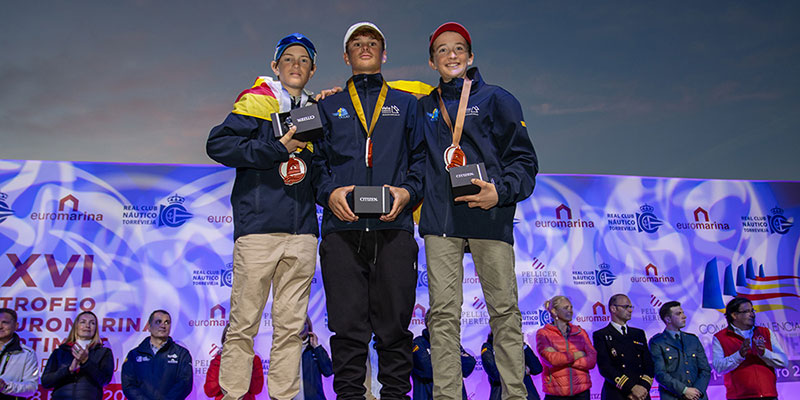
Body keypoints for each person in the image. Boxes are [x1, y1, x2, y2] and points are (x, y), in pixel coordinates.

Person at [416, 21, 538, 400]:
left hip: (489, 218)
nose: (450, 56)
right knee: (443, 317)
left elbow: (524, 162)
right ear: (432, 61)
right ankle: (448, 396)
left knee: (503, 311)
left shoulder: (499, 99)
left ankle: (514, 394)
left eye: (457, 49)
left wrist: (499, 193)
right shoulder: (423, 108)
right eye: (442, 50)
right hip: (441, 223)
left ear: (470, 56)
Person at [206, 32, 324, 400]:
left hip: (303, 231)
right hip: (258, 230)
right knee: (243, 324)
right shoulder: (255, 103)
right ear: (275, 66)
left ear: (312, 70)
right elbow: (219, 145)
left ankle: (284, 396)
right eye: (288, 59)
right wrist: (277, 147)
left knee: (291, 327)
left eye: (303, 60)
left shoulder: (315, 114)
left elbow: (319, 169)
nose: (295, 65)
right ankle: (234, 393)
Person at [313, 21, 424, 399]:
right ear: (346, 57)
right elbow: (316, 163)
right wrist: (328, 194)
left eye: (372, 43)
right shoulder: (327, 105)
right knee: (347, 330)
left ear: (384, 54)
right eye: (357, 44)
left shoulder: (407, 104)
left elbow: (422, 160)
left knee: (395, 328)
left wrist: (408, 193)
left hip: (394, 229)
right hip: (341, 230)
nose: (365, 48)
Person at [712, 297, 787, 400]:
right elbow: (719, 368)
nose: (752, 314)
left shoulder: (765, 332)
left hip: (769, 396)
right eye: (747, 311)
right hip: (739, 397)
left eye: (752, 310)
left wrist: (764, 353)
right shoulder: (720, 337)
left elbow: (783, 362)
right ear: (734, 315)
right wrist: (739, 355)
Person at [593, 294, 654, 400]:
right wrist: (632, 388)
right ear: (613, 309)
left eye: (631, 307)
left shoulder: (638, 333)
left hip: (641, 394)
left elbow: (648, 364)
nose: (630, 310)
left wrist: (643, 388)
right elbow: (605, 367)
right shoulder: (602, 335)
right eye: (626, 307)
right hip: (617, 393)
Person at [41, 311, 114, 399]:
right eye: (83, 322)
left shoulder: (103, 352)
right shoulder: (60, 352)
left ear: (96, 329)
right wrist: (69, 370)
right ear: (76, 326)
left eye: (92, 323)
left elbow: (105, 380)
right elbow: (46, 382)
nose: (87, 326)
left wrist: (86, 362)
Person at [121, 310, 192, 400]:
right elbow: (128, 385)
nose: (163, 325)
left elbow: (185, 383)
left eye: (167, 322)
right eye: (158, 322)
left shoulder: (182, 354)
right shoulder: (134, 355)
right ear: (149, 327)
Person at [535, 296, 596, 400]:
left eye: (571, 307)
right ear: (554, 311)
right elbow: (552, 360)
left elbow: (592, 360)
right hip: (556, 395)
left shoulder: (580, 332)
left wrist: (563, 358)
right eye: (566, 308)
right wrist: (579, 354)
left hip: (582, 394)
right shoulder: (544, 334)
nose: (570, 311)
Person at [648, 301, 710, 400]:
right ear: (668, 319)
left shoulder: (692, 339)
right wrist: (684, 390)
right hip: (672, 396)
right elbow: (660, 373)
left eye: (683, 313)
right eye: (678, 314)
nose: (684, 316)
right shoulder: (657, 342)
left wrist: (696, 392)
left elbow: (705, 369)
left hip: (698, 396)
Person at [411, 313, 476, 400]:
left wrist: (439, 361)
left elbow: (469, 365)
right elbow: (427, 369)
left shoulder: (453, 342)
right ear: (428, 323)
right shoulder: (418, 343)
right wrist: (454, 361)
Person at [204, 325, 263, 400]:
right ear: (225, 341)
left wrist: (244, 367)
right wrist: (227, 371)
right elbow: (209, 391)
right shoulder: (218, 360)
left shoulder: (254, 360)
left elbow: (257, 389)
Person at [482, 332, 543, 400]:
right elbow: (496, 374)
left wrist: (523, 345)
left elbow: (537, 369)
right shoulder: (489, 347)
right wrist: (524, 372)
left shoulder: (519, 345)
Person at [0, 308, 38, 399]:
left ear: (16, 326)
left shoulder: (26, 353)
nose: (0, 326)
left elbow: (32, 388)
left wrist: (5, 386)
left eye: (5, 322)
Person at [299, 316, 333, 400]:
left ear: (309, 326)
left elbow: (328, 371)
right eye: (298, 324)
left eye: (304, 324)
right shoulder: (287, 351)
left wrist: (317, 347)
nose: (301, 328)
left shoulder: (315, 349)